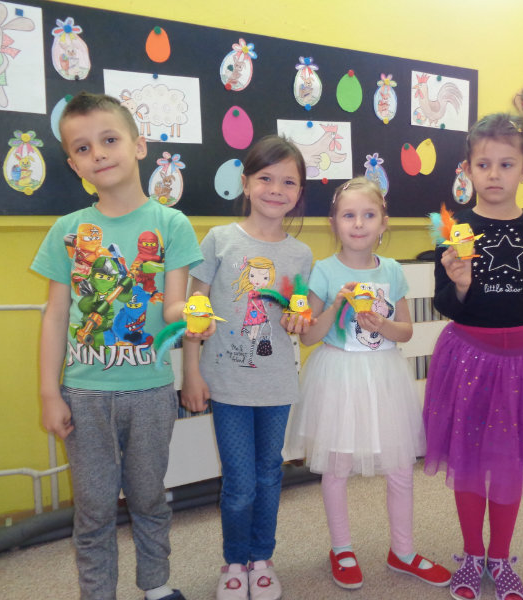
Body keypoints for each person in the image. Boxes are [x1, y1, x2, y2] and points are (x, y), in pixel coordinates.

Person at [32, 91, 204, 600]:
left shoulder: (171, 224)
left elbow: (172, 308)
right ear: (73, 164)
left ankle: (156, 585)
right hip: (84, 395)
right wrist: (49, 392)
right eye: (83, 148)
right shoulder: (68, 231)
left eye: (109, 140)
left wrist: (193, 316)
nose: (99, 154)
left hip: (150, 391)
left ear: (138, 145)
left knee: (150, 498)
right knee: (93, 508)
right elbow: (55, 314)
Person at [422, 113, 523, 600]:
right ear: (467, 169)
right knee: (469, 461)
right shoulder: (454, 228)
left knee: (509, 462)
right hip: (468, 361)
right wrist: (460, 285)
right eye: (483, 164)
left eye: (506, 164)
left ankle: (500, 557)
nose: (494, 174)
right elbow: (445, 304)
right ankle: (472, 554)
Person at [285, 177, 452, 591]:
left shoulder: (392, 270)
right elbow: (308, 336)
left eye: (368, 215)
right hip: (338, 376)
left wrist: (382, 324)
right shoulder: (324, 270)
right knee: (337, 465)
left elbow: (406, 331)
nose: (358, 224)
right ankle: (341, 549)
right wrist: (336, 304)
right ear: (334, 222)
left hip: (384, 376)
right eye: (348, 215)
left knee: (400, 467)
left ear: (383, 222)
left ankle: (403, 551)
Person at [181, 135, 313, 600]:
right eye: (266, 178)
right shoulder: (220, 240)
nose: (276, 189)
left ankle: (261, 559)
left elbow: (298, 313)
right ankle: (235, 560)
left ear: (299, 191)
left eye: (288, 182)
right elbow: (195, 310)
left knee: (270, 475)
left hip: (277, 384)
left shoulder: (301, 255)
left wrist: (298, 319)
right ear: (246, 183)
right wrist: (191, 372)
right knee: (239, 482)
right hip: (227, 383)